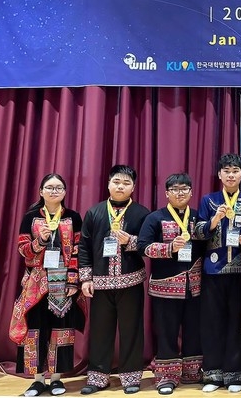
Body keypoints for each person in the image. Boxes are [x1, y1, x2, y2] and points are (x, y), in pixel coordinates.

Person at [9, 173, 85, 397]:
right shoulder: (31, 217)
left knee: (61, 329)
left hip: (63, 280)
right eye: (50, 187)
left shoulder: (73, 217)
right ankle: (37, 380)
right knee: (35, 329)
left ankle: (56, 379)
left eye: (59, 187)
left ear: (65, 192)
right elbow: (23, 250)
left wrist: (73, 280)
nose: (54, 191)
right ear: (41, 191)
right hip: (36, 280)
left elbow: (78, 250)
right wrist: (40, 241)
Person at [78, 165, 151, 395]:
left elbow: (148, 245)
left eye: (126, 183)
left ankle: (131, 377)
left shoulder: (141, 213)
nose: (121, 186)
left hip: (131, 281)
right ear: (108, 184)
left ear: (133, 187)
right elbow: (84, 247)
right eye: (117, 182)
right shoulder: (94, 212)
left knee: (132, 330)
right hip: (100, 283)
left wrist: (130, 241)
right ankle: (98, 377)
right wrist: (85, 279)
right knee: (100, 331)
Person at [196, 153, 241, 393]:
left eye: (235, 171)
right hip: (213, 270)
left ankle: (236, 374)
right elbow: (198, 232)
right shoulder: (209, 200)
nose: (231, 175)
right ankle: (213, 374)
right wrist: (214, 220)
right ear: (219, 174)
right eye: (226, 171)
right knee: (213, 322)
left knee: (236, 322)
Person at [137, 173, 205, 395]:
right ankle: (166, 376)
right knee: (167, 333)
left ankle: (192, 372)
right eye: (175, 189)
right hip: (165, 287)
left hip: (195, 286)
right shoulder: (155, 218)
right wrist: (169, 248)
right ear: (166, 193)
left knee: (194, 330)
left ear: (191, 192)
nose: (180, 193)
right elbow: (142, 247)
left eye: (184, 188)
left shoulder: (198, 216)